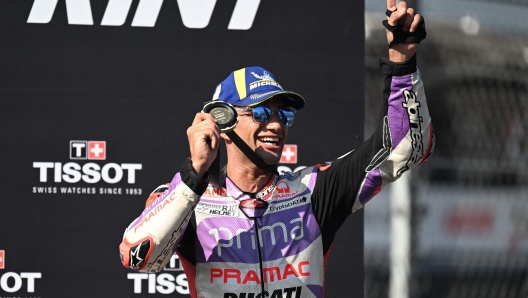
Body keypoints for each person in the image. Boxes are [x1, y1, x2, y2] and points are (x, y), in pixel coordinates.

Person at [119, 1, 434, 297]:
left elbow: (405, 146)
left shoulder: (312, 191)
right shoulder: (189, 200)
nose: (275, 125)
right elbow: (138, 257)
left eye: (283, 114)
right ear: (223, 122)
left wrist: (402, 63)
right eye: (259, 113)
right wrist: (194, 174)